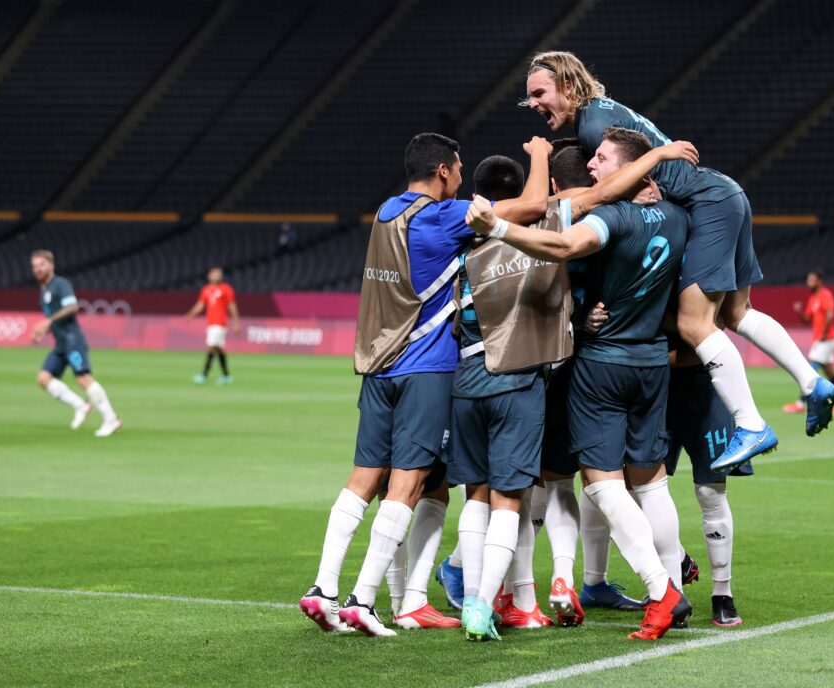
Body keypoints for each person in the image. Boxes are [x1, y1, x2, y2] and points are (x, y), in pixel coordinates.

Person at [523, 51, 834, 473]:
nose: (533, 104)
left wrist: (539, 208)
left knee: (694, 324)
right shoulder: (603, 110)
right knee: (737, 312)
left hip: (705, 203)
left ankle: (750, 423)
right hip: (725, 194)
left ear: (567, 83)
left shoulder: (592, 126)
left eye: (539, 93)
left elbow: (605, 192)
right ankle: (811, 382)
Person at [298, 133, 548, 638]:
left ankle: (324, 588)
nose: (461, 179)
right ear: (442, 171)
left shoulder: (386, 212)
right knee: (407, 485)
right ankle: (362, 600)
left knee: (364, 478)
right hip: (425, 369)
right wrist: (540, 155)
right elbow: (535, 206)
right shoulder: (442, 217)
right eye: (458, 170)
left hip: (378, 366)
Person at [467, 127, 693, 641]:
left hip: (602, 365)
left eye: (603, 159)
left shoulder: (611, 218)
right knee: (651, 483)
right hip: (653, 363)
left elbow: (565, 245)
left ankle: (660, 591)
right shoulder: (679, 217)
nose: (593, 165)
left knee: (597, 484)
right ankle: (670, 583)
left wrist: (498, 227)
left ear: (630, 169)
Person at [664, 319, 752, 627]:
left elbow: (720, 321)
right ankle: (673, 578)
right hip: (654, 385)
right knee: (636, 488)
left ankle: (722, 594)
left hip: (705, 383)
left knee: (709, 492)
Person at [29, 250, 122, 437]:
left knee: (83, 378)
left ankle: (111, 419)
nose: (38, 269)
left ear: (51, 265)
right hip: (61, 344)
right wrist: (43, 330)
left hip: (73, 341)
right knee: (43, 379)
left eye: (42, 265)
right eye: (35, 266)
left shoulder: (60, 284)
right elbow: (55, 319)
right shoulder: (44, 291)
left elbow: (72, 307)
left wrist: (48, 321)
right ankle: (81, 406)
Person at [784, 269, 834, 415]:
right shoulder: (813, 299)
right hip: (823, 340)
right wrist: (799, 312)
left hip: (826, 340)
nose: (808, 283)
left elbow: (831, 315)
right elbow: (807, 320)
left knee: (810, 369)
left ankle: (800, 404)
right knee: (830, 373)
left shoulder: (825, 295)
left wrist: (824, 334)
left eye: (811, 280)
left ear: (819, 281)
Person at [184, 267, 239, 385]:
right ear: (209, 276)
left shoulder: (226, 289)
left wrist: (236, 322)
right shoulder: (206, 289)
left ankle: (204, 375)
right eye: (214, 274)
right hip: (211, 323)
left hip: (219, 323)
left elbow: (232, 305)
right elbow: (200, 305)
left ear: (221, 277)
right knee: (219, 349)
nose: (216, 276)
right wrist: (190, 315)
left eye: (218, 274)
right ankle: (226, 376)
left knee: (211, 347)